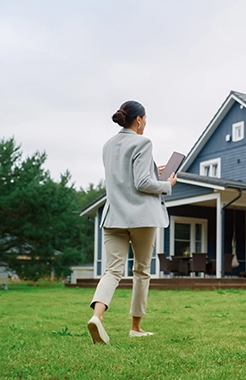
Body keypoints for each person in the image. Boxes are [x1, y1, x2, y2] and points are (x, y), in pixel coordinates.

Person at [87, 100, 177, 344]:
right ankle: (136, 327)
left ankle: (98, 317)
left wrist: (151, 172)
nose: (145, 124)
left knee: (112, 270)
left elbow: (126, 177)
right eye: (145, 119)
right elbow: (142, 184)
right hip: (141, 217)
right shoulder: (143, 142)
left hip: (113, 215)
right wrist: (167, 185)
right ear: (138, 120)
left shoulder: (108, 145)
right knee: (141, 271)